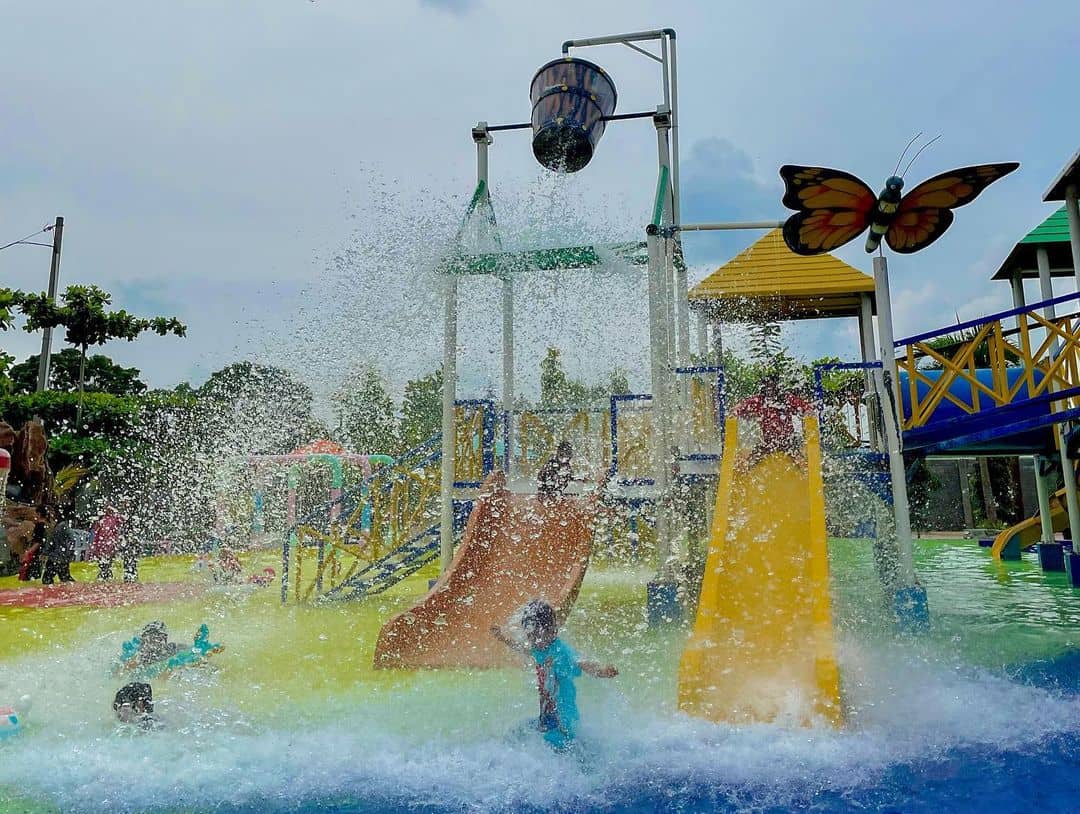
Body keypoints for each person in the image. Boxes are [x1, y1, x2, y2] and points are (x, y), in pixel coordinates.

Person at [491, 599, 617, 750]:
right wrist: (503, 639)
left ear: (552, 630)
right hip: (547, 715)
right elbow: (523, 649)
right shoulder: (538, 648)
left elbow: (582, 663)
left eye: (537, 635)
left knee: (550, 745)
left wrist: (602, 672)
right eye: (530, 635)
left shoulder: (561, 651)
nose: (533, 640)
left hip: (563, 719)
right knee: (516, 734)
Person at [731, 373, 814, 459]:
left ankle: (804, 469)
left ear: (777, 386)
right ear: (763, 387)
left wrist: (808, 411)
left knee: (798, 459)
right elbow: (742, 406)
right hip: (768, 442)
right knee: (752, 459)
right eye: (767, 385)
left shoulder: (785, 398)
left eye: (772, 385)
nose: (769, 388)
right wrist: (735, 411)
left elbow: (804, 406)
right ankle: (747, 471)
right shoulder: (759, 400)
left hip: (787, 441)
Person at [88, 505, 124, 581]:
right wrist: (95, 543)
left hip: (109, 542)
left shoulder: (114, 519)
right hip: (102, 543)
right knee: (102, 559)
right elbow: (97, 533)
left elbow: (121, 521)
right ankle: (105, 572)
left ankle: (106, 572)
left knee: (108, 558)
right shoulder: (102, 520)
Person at [41, 515, 78, 584]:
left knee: (47, 579)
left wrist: (45, 553)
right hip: (62, 557)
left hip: (55, 558)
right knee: (65, 578)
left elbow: (51, 543)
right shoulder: (62, 526)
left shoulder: (60, 527)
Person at [18, 505, 49, 581]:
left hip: (35, 554)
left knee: (28, 575)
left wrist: (29, 552)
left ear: (38, 514)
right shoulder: (45, 526)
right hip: (40, 553)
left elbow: (38, 542)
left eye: (35, 513)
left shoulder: (39, 526)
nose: (34, 515)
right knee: (36, 574)